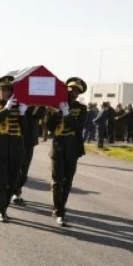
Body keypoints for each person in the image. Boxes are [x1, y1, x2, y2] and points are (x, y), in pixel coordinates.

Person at [47, 78, 88, 227]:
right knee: (57, 181)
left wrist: (66, 114)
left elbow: (78, 127)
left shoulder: (82, 109)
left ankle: (60, 207)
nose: (73, 93)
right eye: (71, 90)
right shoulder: (56, 105)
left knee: (67, 181)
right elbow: (49, 127)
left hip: (73, 148)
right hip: (58, 146)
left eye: (77, 91)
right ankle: (59, 211)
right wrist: (54, 112)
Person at [0, 75, 26, 223]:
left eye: (10, 90)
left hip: (17, 146)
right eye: (4, 90)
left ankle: (5, 206)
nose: (7, 93)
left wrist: (23, 114)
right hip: (1, 146)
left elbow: (27, 130)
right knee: (2, 180)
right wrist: (6, 108)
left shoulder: (20, 106)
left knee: (13, 180)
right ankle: (1, 209)